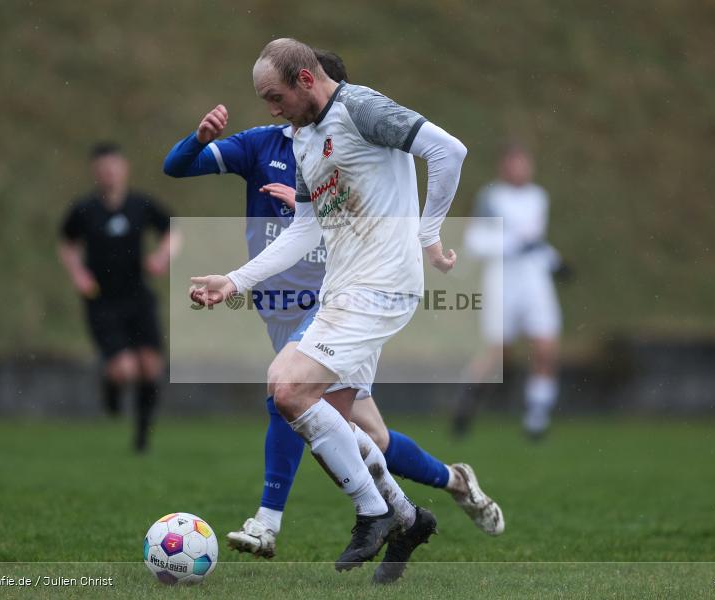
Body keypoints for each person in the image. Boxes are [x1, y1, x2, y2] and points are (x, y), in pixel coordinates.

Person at [164, 50, 503, 561]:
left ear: (305, 80)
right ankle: (405, 514)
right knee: (335, 420)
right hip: (341, 292)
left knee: (288, 388)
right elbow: (304, 229)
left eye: (276, 98)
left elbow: (448, 151)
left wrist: (428, 234)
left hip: (381, 284)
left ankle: (356, 513)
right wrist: (234, 281)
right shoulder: (303, 140)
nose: (273, 111)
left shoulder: (361, 108)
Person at [59, 142, 175, 453]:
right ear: (95, 174)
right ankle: (110, 387)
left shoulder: (140, 205)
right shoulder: (84, 210)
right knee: (125, 370)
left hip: (138, 296)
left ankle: (142, 438)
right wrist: (78, 275)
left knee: (151, 367)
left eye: (113, 168)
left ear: (124, 170)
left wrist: (162, 257)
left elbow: (172, 230)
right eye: (102, 170)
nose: (109, 175)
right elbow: (67, 245)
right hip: (103, 301)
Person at [454, 143, 563, 439]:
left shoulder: (539, 197)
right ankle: (467, 402)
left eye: (524, 163)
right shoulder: (491, 198)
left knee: (545, 347)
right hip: (502, 281)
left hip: (535, 282)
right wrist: (512, 245)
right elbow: (476, 242)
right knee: (499, 355)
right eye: (514, 163)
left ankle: (536, 418)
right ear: (504, 166)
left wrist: (554, 261)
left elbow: (536, 241)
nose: (520, 169)